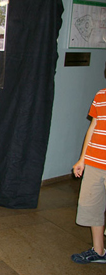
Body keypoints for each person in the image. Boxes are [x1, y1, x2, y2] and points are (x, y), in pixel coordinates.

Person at [71, 88, 106, 264]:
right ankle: (99, 251)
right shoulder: (101, 95)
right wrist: (82, 159)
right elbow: (94, 126)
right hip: (94, 162)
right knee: (92, 207)